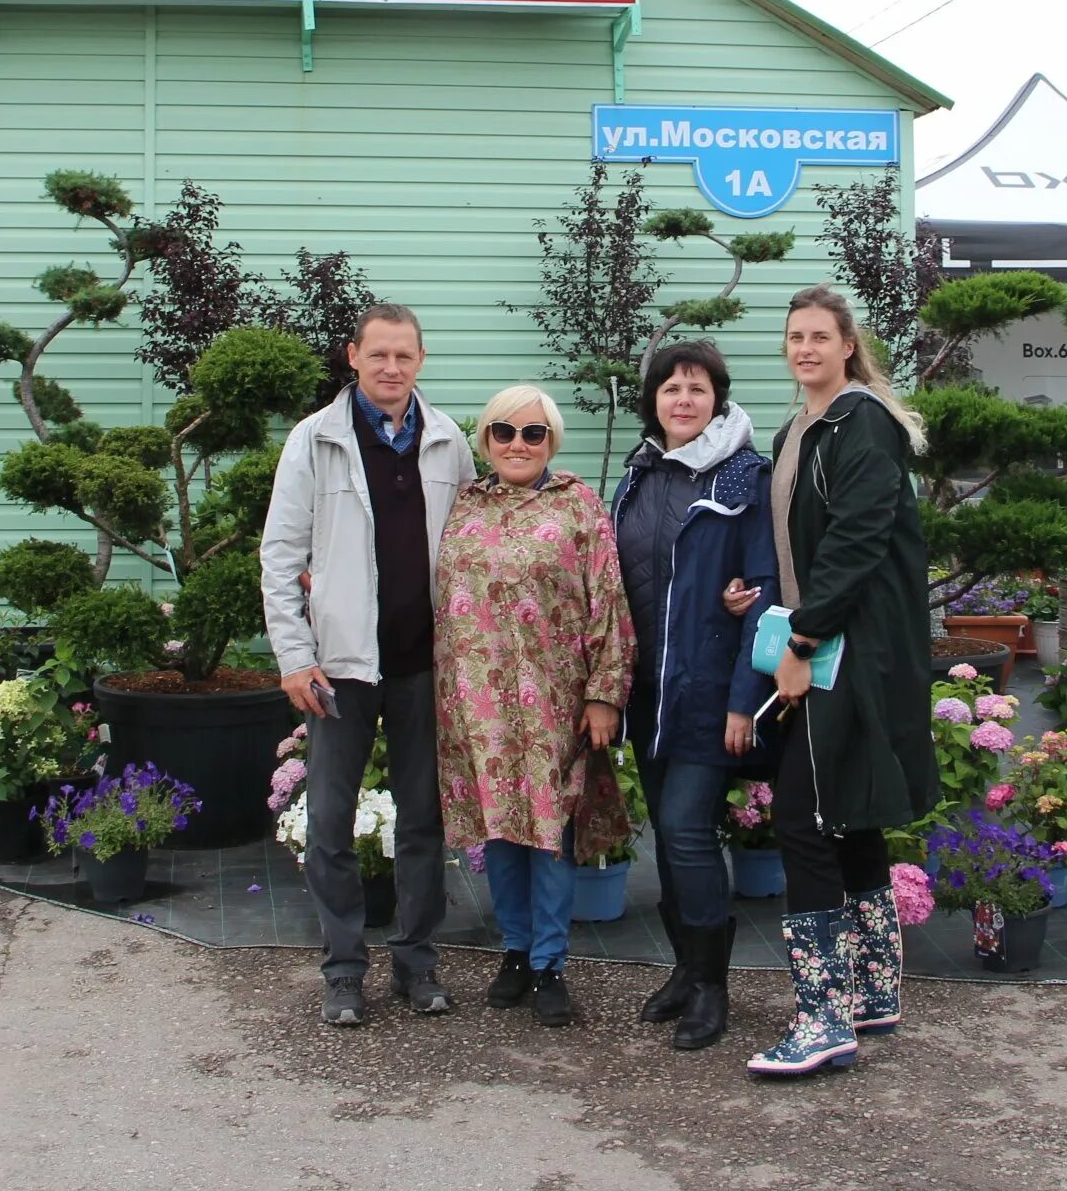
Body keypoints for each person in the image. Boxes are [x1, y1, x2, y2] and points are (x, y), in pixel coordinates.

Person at [261, 303, 475, 1027]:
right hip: (339, 668)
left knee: (424, 822)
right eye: (377, 354)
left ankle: (417, 964)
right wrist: (295, 656)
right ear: (352, 356)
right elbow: (281, 556)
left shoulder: (448, 442)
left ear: (421, 360)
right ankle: (345, 969)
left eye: (403, 356)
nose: (390, 368)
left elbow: (473, 550)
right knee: (328, 823)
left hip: (424, 666)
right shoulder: (313, 440)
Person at [744, 285, 936, 1079]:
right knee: (847, 815)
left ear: (847, 345)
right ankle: (874, 990)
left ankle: (823, 1018)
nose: (805, 349)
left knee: (802, 819)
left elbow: (855, 543)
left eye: (819, 336)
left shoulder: (860, 424)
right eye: (795, 337)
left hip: (847, 653)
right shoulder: (802, 428)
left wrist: (803, 637)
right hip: (833, 646)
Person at [435, 384, 635, 1028]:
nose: (517, 444)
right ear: (485, 439)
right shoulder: (463, 505)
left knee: (550, 834)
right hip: (478, 701)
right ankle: (515, 952)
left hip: (555, 697)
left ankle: (550, 962)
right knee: (500, 832)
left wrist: (605, 695)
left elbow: (609, 602)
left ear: (551, 440)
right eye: (504, 431)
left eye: (533, 433)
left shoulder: (577, 505)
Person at [608, 340, 776, 1052]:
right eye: (671, 388)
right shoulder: (639, 476)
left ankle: (713, 987)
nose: (683, 399)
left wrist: (745, 698)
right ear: (654, 400)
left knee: (685, 828)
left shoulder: (745, 480)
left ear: (718, 398)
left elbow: (765, 593)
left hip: (710, 691)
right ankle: (684, 970)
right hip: (648, 692)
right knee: (670, 842)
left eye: (697, 388)